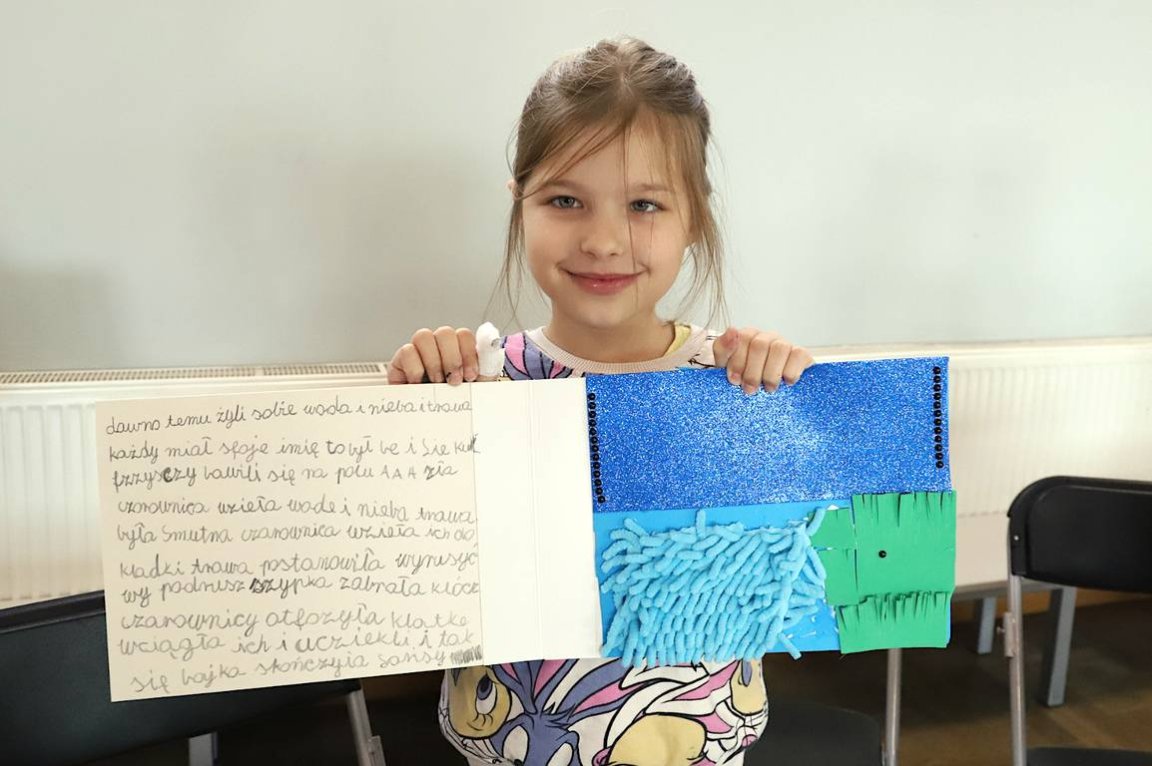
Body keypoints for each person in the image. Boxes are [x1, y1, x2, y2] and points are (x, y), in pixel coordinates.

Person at [387, 36, 815, 766]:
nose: (605, 240)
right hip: (514, 744)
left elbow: (795, 545)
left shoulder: (733, 381)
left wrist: (787, 391)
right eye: (565, 200)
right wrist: (416, 405)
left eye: (645, 204)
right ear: (520, 205)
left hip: (696, 744)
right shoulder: (481, 381)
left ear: (694, 217)